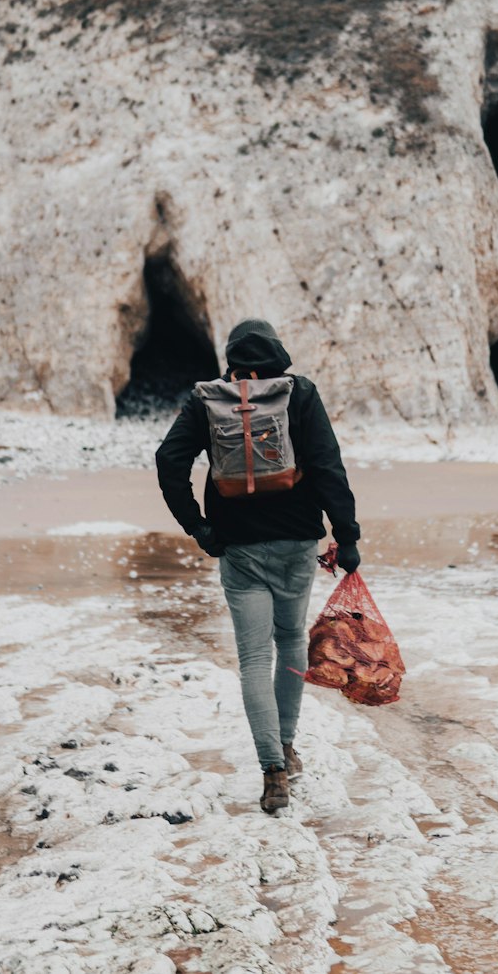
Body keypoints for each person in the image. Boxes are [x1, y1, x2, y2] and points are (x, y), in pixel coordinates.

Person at [155, 318, 361, 814]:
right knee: (290, 641)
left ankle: (272, 773)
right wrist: (347, 537)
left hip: (239, 547)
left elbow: (168, 460)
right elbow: (329, 467)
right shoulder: (300, 394)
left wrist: (198, 527)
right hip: (296, 542)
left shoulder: (209, 398)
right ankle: (287, 747)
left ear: (232, 357)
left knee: (252, 659)